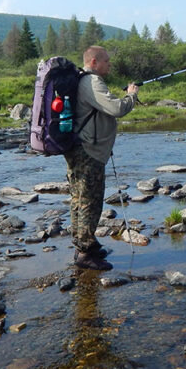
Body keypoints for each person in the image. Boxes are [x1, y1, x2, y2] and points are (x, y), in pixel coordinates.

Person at [65, 45, 138, 270]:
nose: (110, 64)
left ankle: (84, 245)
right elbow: (116, 108)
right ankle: (85, 254)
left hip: (79, 147)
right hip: (88, 151)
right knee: (90, 201)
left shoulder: (81, 80)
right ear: (94, 62)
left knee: (79, 199)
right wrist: (132, 96)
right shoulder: (92, 82)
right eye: (106, 61)